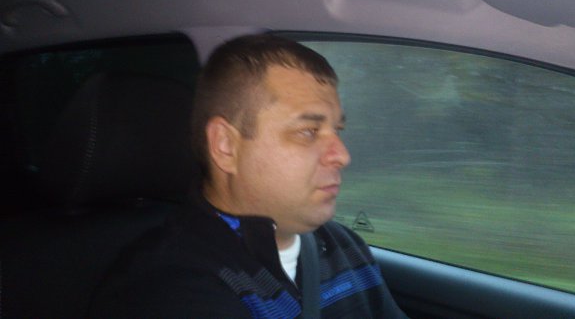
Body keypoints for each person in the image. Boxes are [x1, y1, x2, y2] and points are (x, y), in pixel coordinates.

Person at [89, 34, 408, 318]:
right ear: (226, 146)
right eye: (308, 131)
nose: (342, 155)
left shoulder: (345, 246)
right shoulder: (168, 287)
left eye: (337, 130)